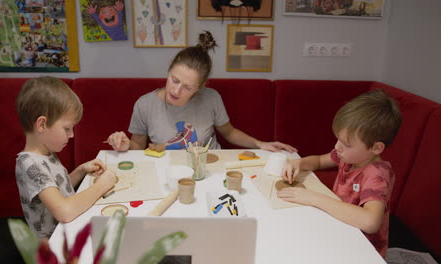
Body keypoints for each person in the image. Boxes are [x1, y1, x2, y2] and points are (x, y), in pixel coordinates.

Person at [107, 31, 297, 153]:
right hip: (167, 170)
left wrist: (260, 144)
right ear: (169, 70)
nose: (176, 90)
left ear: (201, 86)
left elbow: (229, 132)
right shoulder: (145, 104)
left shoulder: (211, 98)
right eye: (174, 80)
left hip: (209, 167)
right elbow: (138, 145)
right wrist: (125, 146)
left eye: (188, 87)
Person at [277, 89, 402, 257]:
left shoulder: (377, 174)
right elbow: (320, 161)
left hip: (361, 249)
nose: (337, 147)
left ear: (376, 148)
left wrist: (314, 198)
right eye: (338, 139)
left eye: (346, 143)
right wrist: (298, 162)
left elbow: (370, 222)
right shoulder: (349, 156)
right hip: (340, 227)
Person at [15, 76, 117, 238]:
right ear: (42, 124)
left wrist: (81, 170)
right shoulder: (30, 164)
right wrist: (102, 186)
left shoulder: (45, 153)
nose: (71, 135)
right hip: (55, 246)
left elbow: (58, 188)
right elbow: (64, 211)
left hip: (69, 230)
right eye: (67, 128)